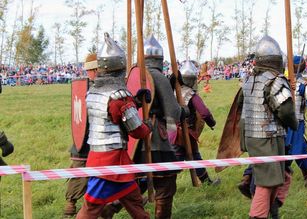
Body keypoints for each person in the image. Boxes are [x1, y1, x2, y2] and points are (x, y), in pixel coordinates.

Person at [76, 33, 151, 219]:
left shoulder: (93, 92)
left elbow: (111, 114)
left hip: (101, 157)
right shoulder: (119, 97)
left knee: (135, 203)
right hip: (111, 162)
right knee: (91, 208)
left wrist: (135, 101)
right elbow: (136, 131)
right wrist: (148, 125)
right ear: (120, 67)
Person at [238, 35, 297, 219]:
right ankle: (258, 215)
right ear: (277, 60)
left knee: (271, 178)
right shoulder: (275, 80)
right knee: (267, 182)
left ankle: (272, 210)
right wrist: (293, 123)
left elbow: (242, 107)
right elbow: (286, 111)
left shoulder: (249, 80)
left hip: (252, 135)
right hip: (267, 136)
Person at [134, 35, 183, 219]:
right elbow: (173, 113)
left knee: (133, 184)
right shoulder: (157, 76)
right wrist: (184, 111)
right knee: (166, 185)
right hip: (156, 139)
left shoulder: (134, 75)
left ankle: (111, 207)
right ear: (159, 60)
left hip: (135, 140)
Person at [63, 53, 98, 218]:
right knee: (82, 172)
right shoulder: (93, 88)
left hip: (82, 141)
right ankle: (73, 204)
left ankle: (73, 204)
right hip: (90, 140)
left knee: (80, 172)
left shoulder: (83, 86)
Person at [174, 60, 218, 185]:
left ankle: (206, 182)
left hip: (171, 130)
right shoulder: (191, 95)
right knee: (177, 162)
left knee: (192, 157)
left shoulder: (173, 92)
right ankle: (152, 182)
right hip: (185, 133)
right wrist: (212, 123)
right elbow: (204, 113)